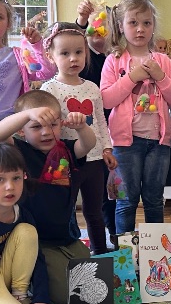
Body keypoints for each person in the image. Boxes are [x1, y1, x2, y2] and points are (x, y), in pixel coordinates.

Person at [0, 90, 97, 304]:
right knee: (65, 300)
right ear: (22, 130)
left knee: (92, 286)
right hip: (37, 243)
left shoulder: (66, 149)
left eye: (52, 125)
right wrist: (28, 114)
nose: (46, 132)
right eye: (36, 126)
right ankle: (28, 283)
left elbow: (87, 144)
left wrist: (82, 127)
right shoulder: (19, 151)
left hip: (67, 237)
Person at [100, 0, 171, 235]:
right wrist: (132, 78)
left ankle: (155, 252)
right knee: (126, 201)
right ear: (121, 26)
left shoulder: (163, 61)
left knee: (154, 200)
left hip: (158, 143)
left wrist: (160, 76)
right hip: (125, 144)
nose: (140, 29)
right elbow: (106, 100)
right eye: (133, 22)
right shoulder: (114, 61)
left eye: (146, 23)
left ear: (153, 26)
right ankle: (124, 254)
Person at [39, 20, 115, 254]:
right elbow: (46, 126)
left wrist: (107, 148)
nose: (73, 58)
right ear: (51, 56)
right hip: (65, 161)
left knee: (95, 211)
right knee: (65, 210)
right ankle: (67, 251)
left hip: (94, 160)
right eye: (65, 53)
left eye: (79, 52)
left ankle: (100, 253)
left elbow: (100, 121)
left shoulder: (92, 87)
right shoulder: (48, 89)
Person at [0, 0, 54, 123]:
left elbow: (46, 72)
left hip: (11, 125)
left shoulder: (18, 56)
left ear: (9, 23)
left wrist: (37, 45)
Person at [75, 0, 118, 248]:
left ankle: (113, 233)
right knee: (95, 193)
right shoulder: (83, 57)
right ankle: (96, 237)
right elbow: (72, 41)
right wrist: (82, 22)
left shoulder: (114, 58)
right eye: (95, 26)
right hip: (84, 133)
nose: (100, 31)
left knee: (111, 190)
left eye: (106, 26)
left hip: (110, 132)